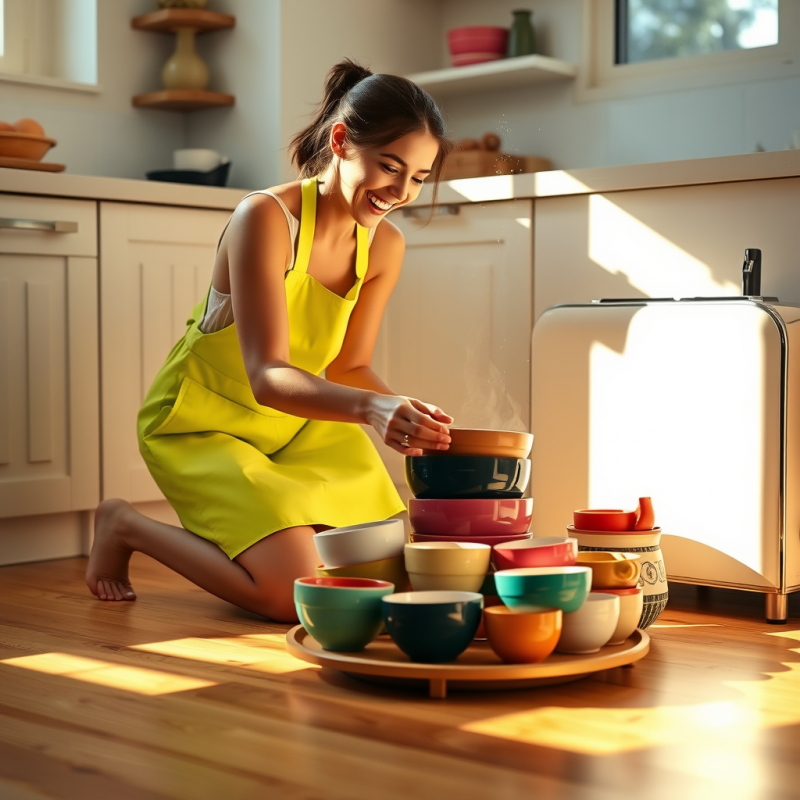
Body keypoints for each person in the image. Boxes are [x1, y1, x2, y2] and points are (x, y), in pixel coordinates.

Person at [85, 59, 456, 622]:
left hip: (301, 425)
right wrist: (373, 410)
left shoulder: (384, 247)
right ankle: (125, 524)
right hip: (203, 424)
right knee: (292, 596)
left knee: (386, 577)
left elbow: (349, 367)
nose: (400, 192)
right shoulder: (265, 218)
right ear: (341, 141)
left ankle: (271, 529)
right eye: (389, 167)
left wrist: (401, 412)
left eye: (419, 178)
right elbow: (266, 374)